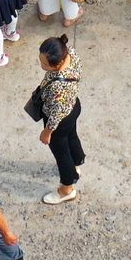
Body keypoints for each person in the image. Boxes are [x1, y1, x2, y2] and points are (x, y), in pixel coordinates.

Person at [34, 35, 85, 204]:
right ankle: (77, 162)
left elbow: (56, 113)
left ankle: (66, 189)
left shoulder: (58, 85)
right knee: (72, 136)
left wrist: (47, 132)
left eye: (45, 65)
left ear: (57, 64)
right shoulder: (71, 53)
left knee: (61, 154)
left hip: (59, 121)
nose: (41, 66)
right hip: (73, 107)